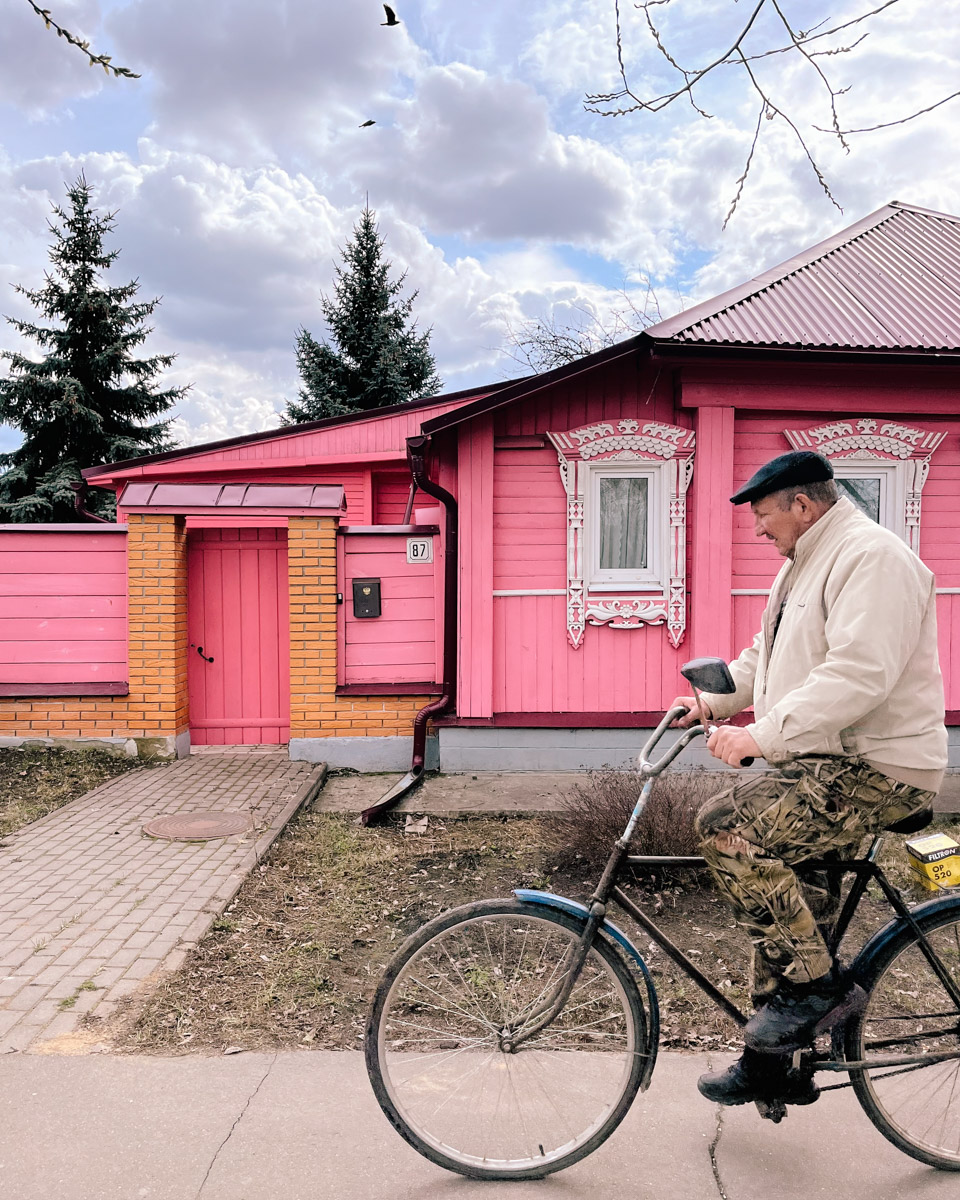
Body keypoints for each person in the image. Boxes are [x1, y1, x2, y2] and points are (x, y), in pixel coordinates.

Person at [671, 449, 947, 1108]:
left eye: (764, 515)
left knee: (727, 828)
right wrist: (715, 702)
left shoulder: (871, 558)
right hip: (829, 762)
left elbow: (859, 675)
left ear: (803, 503)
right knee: (787, 919)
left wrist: (760, 738)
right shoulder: (805, 565)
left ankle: (817, 995)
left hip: (878, 766)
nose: (759, 530)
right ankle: (772, 1064)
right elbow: (766, 660)